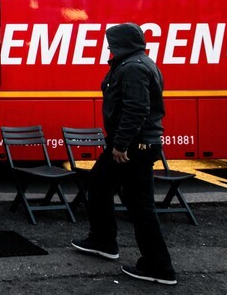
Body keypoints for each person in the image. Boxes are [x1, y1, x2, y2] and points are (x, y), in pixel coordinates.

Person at [71, 22, 177, 285]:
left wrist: (120, 145)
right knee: (99, 185)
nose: (108, 46)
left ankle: (159, 267)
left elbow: (136, 110)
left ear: (123, 44)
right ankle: (103, 240)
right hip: (133, 144)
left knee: (140, 205)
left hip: (133, 147)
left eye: (112, 42)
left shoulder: (133, 68)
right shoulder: (136, 63)